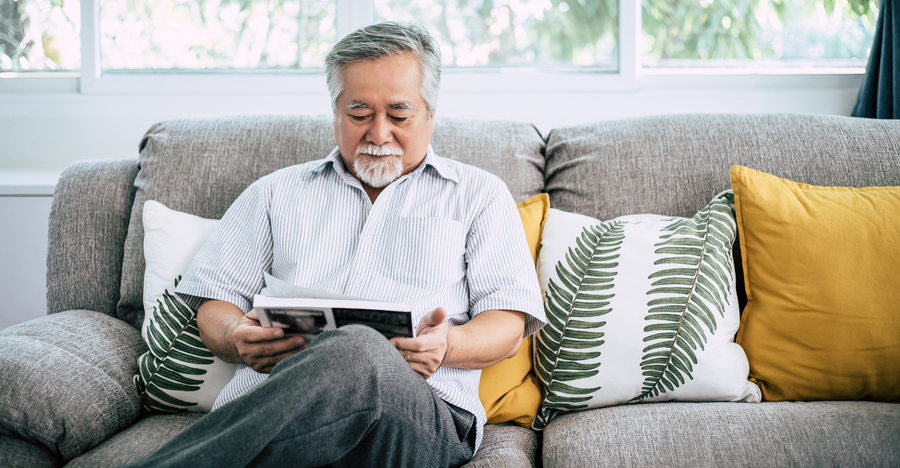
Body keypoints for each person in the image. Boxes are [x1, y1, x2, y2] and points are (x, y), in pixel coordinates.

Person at [131, 22, 545, 468]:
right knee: (352, 353)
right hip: (275, 403)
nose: (379, 133)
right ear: (335, 112)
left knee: (360, 348)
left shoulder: (479, 194)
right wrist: (236, 336)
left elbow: (507, 320)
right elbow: (215, 302)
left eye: (399, 115)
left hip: (421, 415)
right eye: (359, 114)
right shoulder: (274, 193)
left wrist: (449, 344)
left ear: (430, 112)